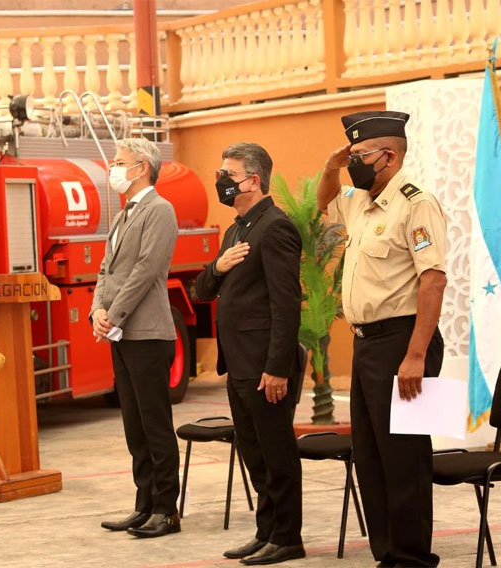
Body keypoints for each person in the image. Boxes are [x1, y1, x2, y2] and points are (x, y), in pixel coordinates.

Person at [317, 111, 447, 568]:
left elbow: (433, 280)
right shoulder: (361, 201)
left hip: (406, 342)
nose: (354, 163)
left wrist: (415, 356)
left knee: (406, 455)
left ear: (387, 156)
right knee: (371, 454)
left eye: (359, 155)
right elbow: (323, 201)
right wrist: (334, 165)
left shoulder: (416, 203)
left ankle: (412, 557)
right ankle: (387, 553)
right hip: (368, 344)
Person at [194, 142, 305, 565]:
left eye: (227, 174)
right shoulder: (236, 230)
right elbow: (202, 291)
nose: (221, 182)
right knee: (253, 451)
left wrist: (277, 368)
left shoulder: (275, 227)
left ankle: (288, 536)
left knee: (276, 453)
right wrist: (218, 267)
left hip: (264, 367)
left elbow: (285, 303)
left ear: (252, 180)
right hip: (238, 363)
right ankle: (266, 532)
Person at [91, 137, 181, 538]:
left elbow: (146, 270)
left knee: (155, 425)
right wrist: (97, 310)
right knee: (134, 427)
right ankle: (143, 505)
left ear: (141, 167)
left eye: (119, 161)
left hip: (147, 333)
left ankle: (167, 509)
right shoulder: (124, 213)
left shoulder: (160, 211)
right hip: (122, 334)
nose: (113, 167)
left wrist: (115, 314)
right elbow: (106, 271)